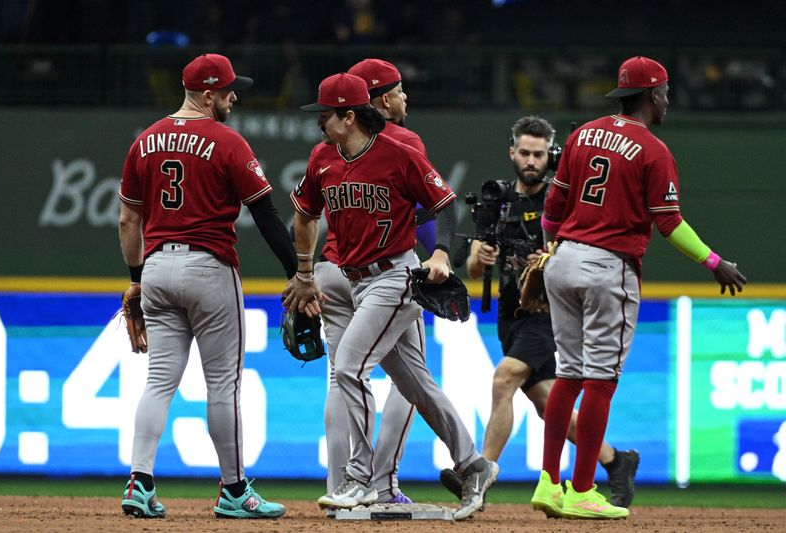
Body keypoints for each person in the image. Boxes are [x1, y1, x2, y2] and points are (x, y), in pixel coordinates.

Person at [532, 56, 747, 519]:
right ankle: (586, 488)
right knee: (600, 382)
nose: (667, 101)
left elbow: (553, 204)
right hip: (609, 266)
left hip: (563, 259)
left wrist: (551, 249)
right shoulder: (653, 150)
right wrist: (714, 261)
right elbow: (668, 221)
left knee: (568, 375)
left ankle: (550, 483)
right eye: (665, 93)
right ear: (651, 95)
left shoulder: (582, 134)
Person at [283, 72, 498, 521]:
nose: (319, 122)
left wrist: (440, 252)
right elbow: (303, 215)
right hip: (355, 279)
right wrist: (304, 271)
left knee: (348, 366)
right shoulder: (323, 157)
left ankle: (360, 477)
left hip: (396, 277)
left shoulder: (399, 155)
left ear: (348, 115)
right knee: (415, 383)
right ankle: (473, 464)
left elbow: (444, 203)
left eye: (325, 114)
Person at [118, 53, 299, 520]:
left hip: (156, 267)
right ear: (207, 94)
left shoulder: (145, 141)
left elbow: (127, 220)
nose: (234, 96)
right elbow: (266, 214)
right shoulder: (227, 141)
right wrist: (297, 272)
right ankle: (234, 491)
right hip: (210, 267)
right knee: (223, 385)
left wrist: (136, 281)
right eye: (228, 90)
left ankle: (140, 482)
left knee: (159, 380)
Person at [439, 116, 639, 508]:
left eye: (539, 154)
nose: (532, 160)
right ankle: (616, 461)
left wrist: (552, 257)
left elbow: (584, 251)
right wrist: (483, 254)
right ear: (512, 152)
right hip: (512, 313)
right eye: (525, 152)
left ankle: (480, 476)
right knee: (548, 402)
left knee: (504, 378)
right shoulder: (496, 200)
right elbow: (476, 269)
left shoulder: (561, 198)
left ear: (552, 155)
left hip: (552, 308)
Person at [316, 58, 435, 507]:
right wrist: (442, 257)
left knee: (340, 375)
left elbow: (306, 215)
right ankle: (380, 485)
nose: (405, 98)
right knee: (409, 379)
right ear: (382, 98)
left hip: (332, 269)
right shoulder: (402, 140)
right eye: (400, 90)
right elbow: (424, 214)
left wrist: (303, 275)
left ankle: (340, 488)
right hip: (384, 272)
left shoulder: (332, 145)